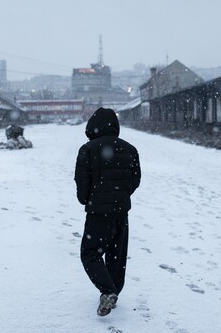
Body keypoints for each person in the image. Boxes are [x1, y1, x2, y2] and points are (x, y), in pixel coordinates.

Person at [74, 107, 141, 316]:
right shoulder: (130, 149)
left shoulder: (87, 150)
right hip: (121, 212)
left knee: (90, 253)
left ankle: (108, 290)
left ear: (93, 127)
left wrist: (88, 199)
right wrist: (121, 195)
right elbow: (135, 180)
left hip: (97, 214)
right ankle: (113, 292)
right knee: (116, 255)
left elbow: (82, 183)